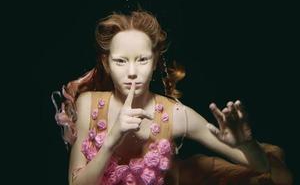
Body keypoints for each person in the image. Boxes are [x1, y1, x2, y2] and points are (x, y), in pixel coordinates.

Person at [52, 10, 293, 185]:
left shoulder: (175, 115)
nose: (132, 71)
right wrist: (111, 140)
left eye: (143, 59)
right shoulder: (88, 104)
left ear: (156, 61)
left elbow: (262, 169)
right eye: (120, 61)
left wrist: (246, 144)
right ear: (106, 63)